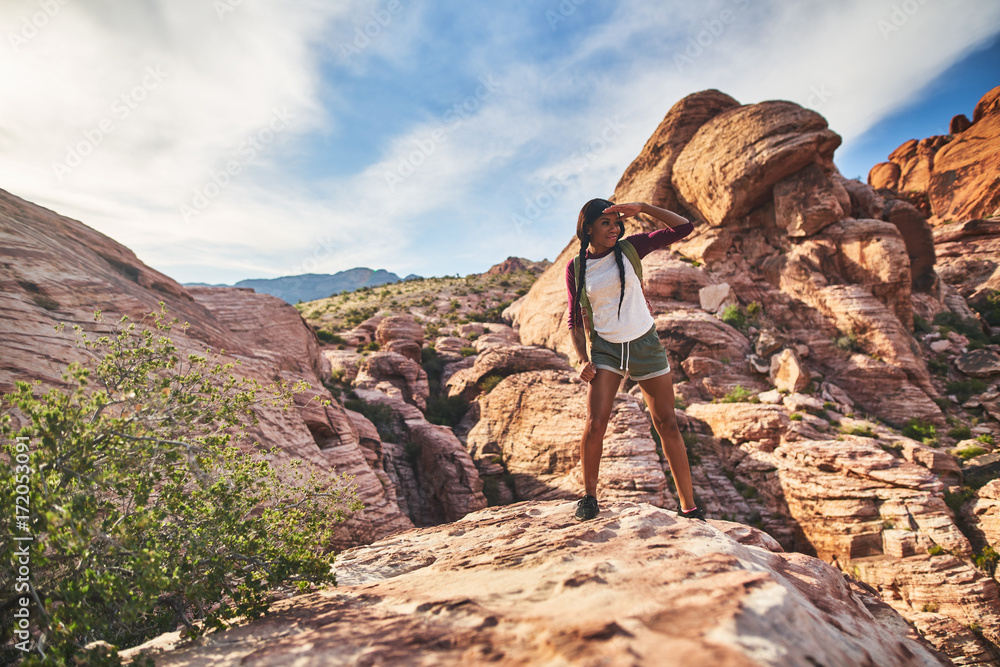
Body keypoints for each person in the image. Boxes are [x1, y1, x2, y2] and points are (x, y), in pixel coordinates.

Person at [566, 198, 704, 522]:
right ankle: (588, 498)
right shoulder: (577, 267)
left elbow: (684, 227)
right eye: (605, 223)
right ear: (588, 228)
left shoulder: (631, 248)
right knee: (596, 422)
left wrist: (642, 208)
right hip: (606, 349)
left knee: (667, 423)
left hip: (645, 343)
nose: (614, 229)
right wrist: (581, 359)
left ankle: (690, 508)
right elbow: (574, 319)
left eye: (616, 223)